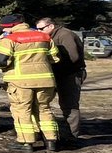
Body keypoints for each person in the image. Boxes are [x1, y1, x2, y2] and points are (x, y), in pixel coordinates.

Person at [0, 14, 60, 152]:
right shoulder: (44, 37)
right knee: (44, 109)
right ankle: (51, 141)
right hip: (45, 80)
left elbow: (1, 61)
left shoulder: (10, 39)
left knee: (22, 110)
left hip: (20, 82)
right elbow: (55, 58)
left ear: (9, 27)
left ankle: (26, 142)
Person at [36, 17, 86, 145]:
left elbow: (73, 57)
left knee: (69, 105)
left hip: (70, 74)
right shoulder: (50, 36)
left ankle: (71, 136)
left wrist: (52, 65)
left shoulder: (65, 35)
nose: (39, 32)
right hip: (57, 74)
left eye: (41, 29)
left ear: (51, 26)